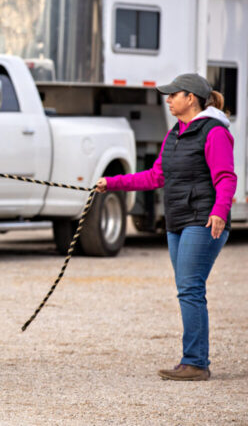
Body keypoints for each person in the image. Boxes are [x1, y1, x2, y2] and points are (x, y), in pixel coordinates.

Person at [96, 73, 236, 381]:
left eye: (174, 94)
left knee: (190, 288)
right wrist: (112, 183)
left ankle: (196, 362)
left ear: (192, 98)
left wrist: (220, 212)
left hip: (202, 220)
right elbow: (154, 177)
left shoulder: (214, 132)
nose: (168, 99)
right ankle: (194, 359)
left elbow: (226, 177)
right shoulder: (175, 134)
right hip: (177, 221)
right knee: (187, 288)